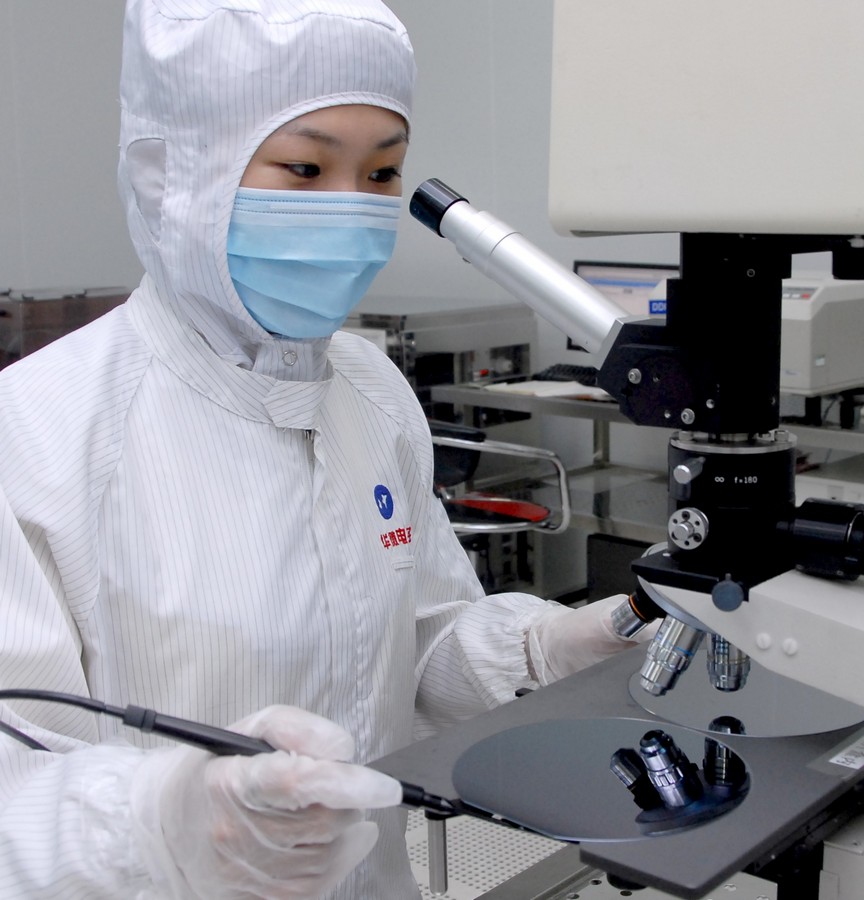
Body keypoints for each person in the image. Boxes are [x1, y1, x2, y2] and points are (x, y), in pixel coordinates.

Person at [0, 1, 646, 897]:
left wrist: (548, 647)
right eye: (304, 168)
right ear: (170, 175)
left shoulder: (370, 390)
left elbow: (418, 642)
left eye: (381, 173)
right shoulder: (34, 433)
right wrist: (163, 823)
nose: (350, 211)